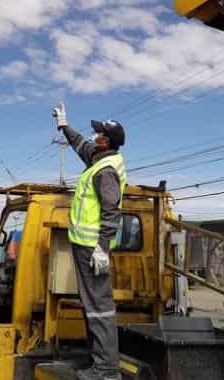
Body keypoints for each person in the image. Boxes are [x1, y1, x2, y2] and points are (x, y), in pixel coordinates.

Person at [52, 103, 126, 380]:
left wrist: (102, 249)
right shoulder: (97, 158)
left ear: (107, 141)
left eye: (99, 134)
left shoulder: (105, 170)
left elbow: (111, 212)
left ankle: (107, 371)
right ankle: (98, 361)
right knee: (91, 305)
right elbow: (78, 143)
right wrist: (63, 125)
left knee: (100, 308)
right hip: (85, 246)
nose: (93, 136)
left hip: (93, 249)